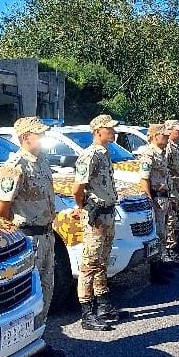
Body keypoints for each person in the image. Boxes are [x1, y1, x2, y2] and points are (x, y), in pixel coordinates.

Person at [0, 117, 65, 357]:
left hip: (46, 235)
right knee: (26, 295)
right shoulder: (14, 167)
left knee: (46, 288)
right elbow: (1, 211)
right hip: (27, 237)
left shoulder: (42, 162)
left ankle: (38, 339)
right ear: (25, 138)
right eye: (39, 134)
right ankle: (20, 350)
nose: (44, 138)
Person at [72, 114, 123, 331]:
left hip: (108, 214)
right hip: (96, 216)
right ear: (98, 131)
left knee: (102, 260)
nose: (113, 132)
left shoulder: (105, 153)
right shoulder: (90, 155)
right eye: (109, 129)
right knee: (89, 264)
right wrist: (84, 207)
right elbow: (77, 188)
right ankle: (86, 313)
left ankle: (103, 305)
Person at [138, 123, 173, 283]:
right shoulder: (149, 154)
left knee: (163, 232)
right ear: (155, 136)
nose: (166, 137)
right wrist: (150, 201)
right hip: (157, 198)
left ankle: (160, 263)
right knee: (157, 234)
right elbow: (144, 179)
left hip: (164, 197)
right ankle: (155, 270)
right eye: (164, 135)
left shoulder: (161, 153)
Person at [163, 119, 179, 261]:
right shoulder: (168, 148)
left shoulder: (176, 147)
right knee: (171, 221)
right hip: (172, 191)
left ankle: (175, 247)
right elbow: (164, 171)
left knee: (177, 219)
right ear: (169, 131)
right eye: (177, 130)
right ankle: (169, 249)